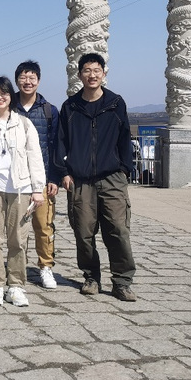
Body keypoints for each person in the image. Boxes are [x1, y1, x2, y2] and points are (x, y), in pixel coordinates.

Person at [55, 53, 137, 302]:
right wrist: (64, 172)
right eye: (87, 70)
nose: (92, 75)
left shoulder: (115, 103)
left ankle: (122, 282)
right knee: (83, 232)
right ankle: (91, 277)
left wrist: (125, 169)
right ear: (80, 74)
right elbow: (61, 141)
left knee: (118, 230)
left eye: (96, 70)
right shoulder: (70, 106)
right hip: (80, 180)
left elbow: (124, 138)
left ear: (104, 73)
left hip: (112, 177)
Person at [0, 76, 45, 307]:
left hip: (20, 189)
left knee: (18, 239)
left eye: (4, 93)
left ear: (10, 96)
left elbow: (35, 157)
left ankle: (16, 285)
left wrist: (38, 189)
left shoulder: (24, 124)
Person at [13, 60, 61, 290]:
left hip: (41, 179)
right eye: (23, 77)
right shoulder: (8, 106)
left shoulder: (49, 111)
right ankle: (17, 266)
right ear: (17, 80)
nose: (28, 82)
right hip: (14, 179)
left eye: (32, 78)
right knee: (16, 227)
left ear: (39, 81)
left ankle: (46, 266)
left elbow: (56, 147)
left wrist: (54, 178)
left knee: (44, 226)